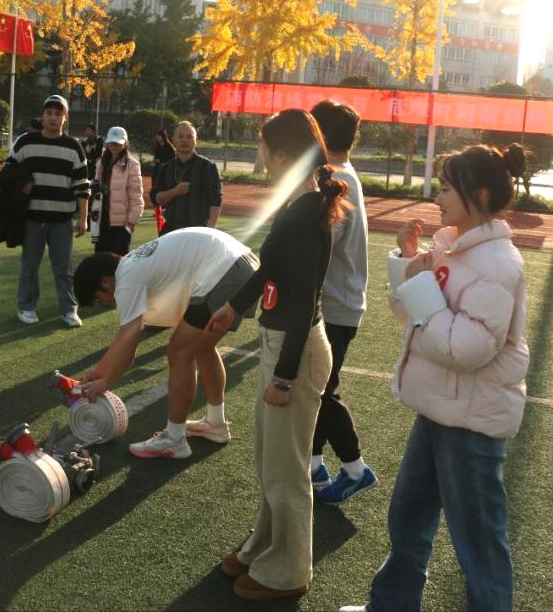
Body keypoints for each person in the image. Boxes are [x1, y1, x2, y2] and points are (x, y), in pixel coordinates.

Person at [340, 145, 529, 612]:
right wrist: (408, 263)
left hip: (471, 422)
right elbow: (410, 316)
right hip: (440, 409)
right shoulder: (453, 247)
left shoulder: (496, 265)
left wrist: (421, 286)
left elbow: (462, 349)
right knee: (408, 518)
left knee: (480, 546)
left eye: (446, 188)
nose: (437, 197)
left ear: (478, 194)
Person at [207, 109, 346, 601]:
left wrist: (284, 377)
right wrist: (233, 306)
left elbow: (305, 297)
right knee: (272, 462)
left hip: (296, 350)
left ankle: (289, 571)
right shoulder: (299, 205)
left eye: (263, 147)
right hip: (284, 342)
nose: (259, 155)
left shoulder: (306, 213)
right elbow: (270, 269)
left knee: (287, 470)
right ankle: (264, 546)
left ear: (282, 155)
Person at [72, 227, 259, 458]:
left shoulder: (126, 277)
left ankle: (174, 439)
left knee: (180, 351)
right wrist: (99, 372)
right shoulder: (132, 265)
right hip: (243, 264)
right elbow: (124, 336)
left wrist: (106, 381)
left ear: (105, 282)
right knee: (202, 347)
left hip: (226, 270)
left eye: (100, 300)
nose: (109, 304)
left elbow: (130, 338)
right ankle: (215, 424)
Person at [307, 100, 378, 504]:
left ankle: (354, 468)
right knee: (317, 388)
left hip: (334, 305)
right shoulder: (344, 172)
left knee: (320, 390)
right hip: (339, 302)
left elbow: (320, 242)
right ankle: (314, 463)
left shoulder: (334, 179)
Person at [7, 94, 90, 328]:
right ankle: (26, 306)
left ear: (65, 117)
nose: (53, 118)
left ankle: (69, 309)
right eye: (49, 113)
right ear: (42, 116)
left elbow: (82, 185)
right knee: (29, 265)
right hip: (32, 218)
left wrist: (83, 218)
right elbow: (8, 172)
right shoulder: (25, 143)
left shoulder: (74, 146)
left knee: (63, 268)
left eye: (58, 114)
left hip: (61, 220)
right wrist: (21, 184)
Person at [150, 121, 222, 235]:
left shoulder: (208, 167)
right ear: (173, 140)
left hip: (199, 230)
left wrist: (209, 231)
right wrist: (174, 192)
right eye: (180, 136)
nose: (185, 140)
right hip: (171, 231)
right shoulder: (166, 168)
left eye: (189, 136)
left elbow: (215, 201)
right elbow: (155, 198)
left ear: (196, 140)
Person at [92, 126, 144, 256]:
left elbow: (136, 195)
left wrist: (132, 221)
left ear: (125, 143)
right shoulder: (101, 163)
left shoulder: (133, 165)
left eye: (118, 143)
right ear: (107, 143)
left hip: (122, 224)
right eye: (111, 142)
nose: (114, 146)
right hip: (101, 221)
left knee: (119, 263)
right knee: (100, 262)